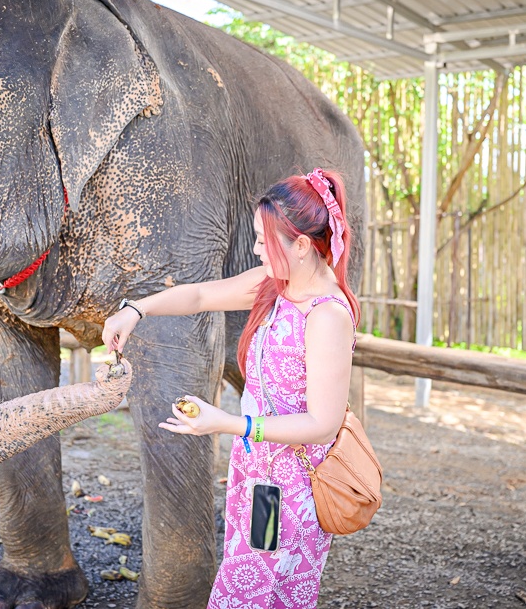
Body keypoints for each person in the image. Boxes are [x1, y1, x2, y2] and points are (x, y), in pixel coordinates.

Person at [103, 168, 358, 608]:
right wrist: (134, 310)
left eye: (264, 240)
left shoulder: (326, 315)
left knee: (243, 596)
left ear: (300, 245)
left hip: (287, 492)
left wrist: (229, 424)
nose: (256, 250)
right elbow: (201, 297)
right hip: (257, 477)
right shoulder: (278, 287)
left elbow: (322, 424)